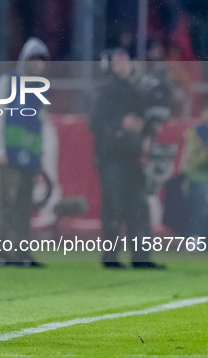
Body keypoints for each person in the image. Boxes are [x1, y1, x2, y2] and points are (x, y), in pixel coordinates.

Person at [89, 49, 165, 269]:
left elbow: (148, 117)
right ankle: (110, 257)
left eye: (125, 63)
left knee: (138, 208)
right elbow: (94, 123)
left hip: (133, 156)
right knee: (114, 207)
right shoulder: (103, 91)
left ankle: (141, 257)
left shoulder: (138, 89)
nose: (122, 67)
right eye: (117, 64)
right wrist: (120, 124)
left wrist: (150, 127)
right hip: (111, 157)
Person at [0, 37, 49, 267]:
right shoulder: (8, 82)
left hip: (28, 158)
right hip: (8, 156)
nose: (38, 65)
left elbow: (39, 127)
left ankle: (22, 253)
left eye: (41, 61)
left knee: (23, 207)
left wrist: (39, 158)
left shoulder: (39, 89)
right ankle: (6, 253)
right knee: (8, 206)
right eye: (34, 59)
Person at [184, 95, 208, 250]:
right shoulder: (197, 133)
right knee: (207, 195)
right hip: (198, 179)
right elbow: (198, 162)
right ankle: (195, 238)